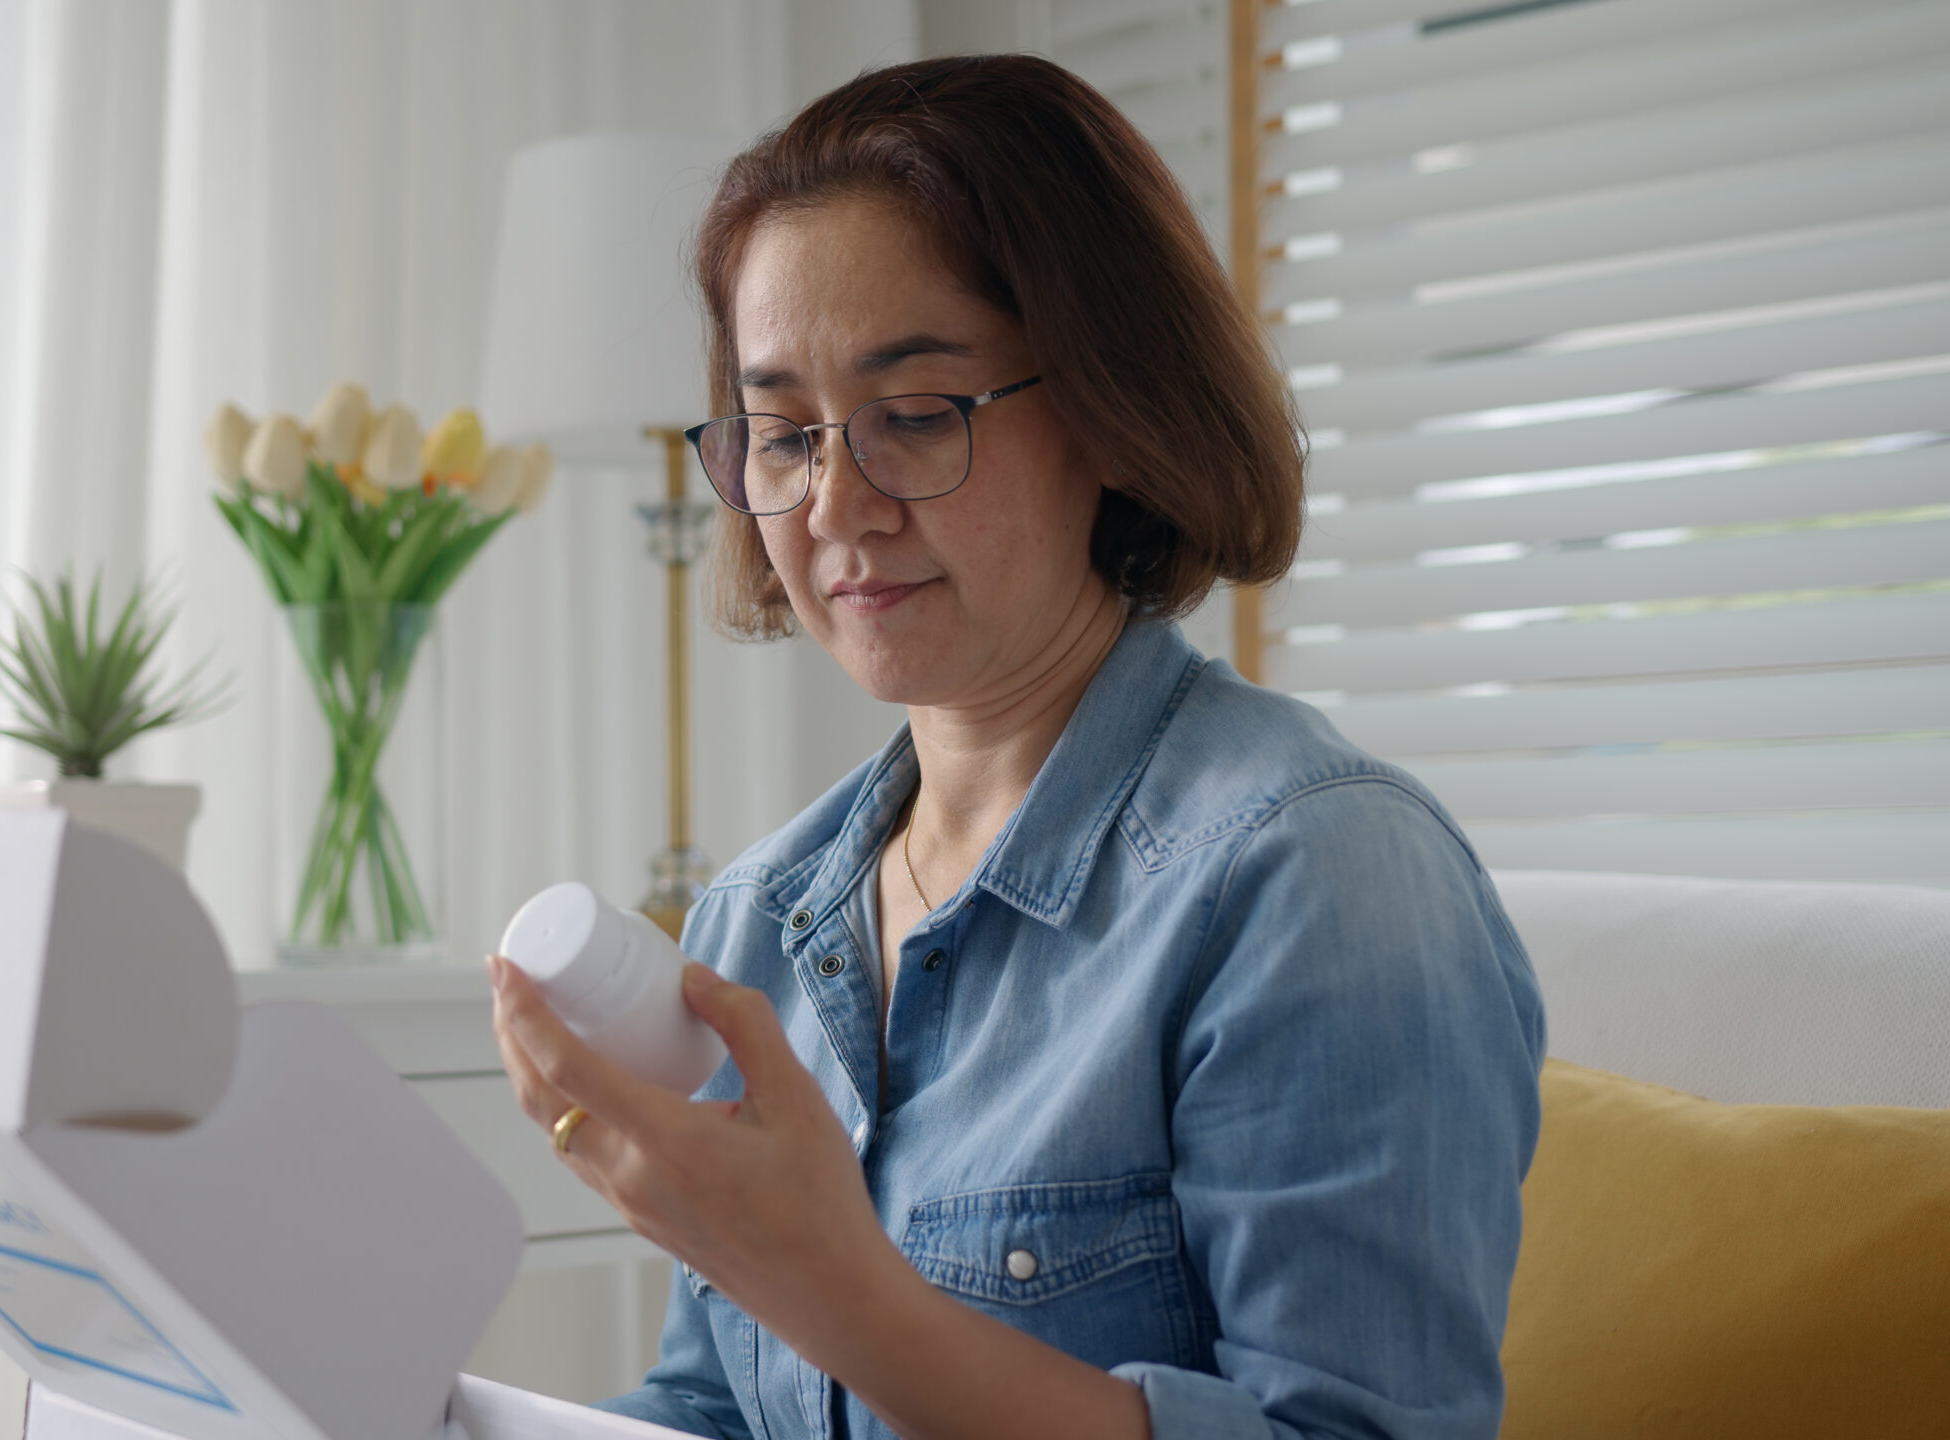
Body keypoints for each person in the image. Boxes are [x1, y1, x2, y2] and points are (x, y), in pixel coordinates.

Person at [488, 53, 1544, 1440]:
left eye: (915, 416)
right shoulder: (759, 919)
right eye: (783, 431)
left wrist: (838, 1291)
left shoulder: (1315, 879)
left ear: (1113, 406)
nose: (833, 506)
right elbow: (715, 1406)